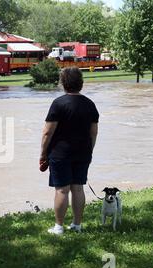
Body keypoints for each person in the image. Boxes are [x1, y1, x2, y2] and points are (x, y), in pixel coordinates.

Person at [40, 67, 99, 235]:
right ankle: (77, 225)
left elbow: (47, 132)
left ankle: (59, 227)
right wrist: (90, 151)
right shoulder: (90, 104)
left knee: (62, 190)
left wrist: (43, 154)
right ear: (80, 83)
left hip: (60, 153)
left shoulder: (58, 103)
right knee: (78, 188)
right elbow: (93, 132)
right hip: (83, 152)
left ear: (63, 83)